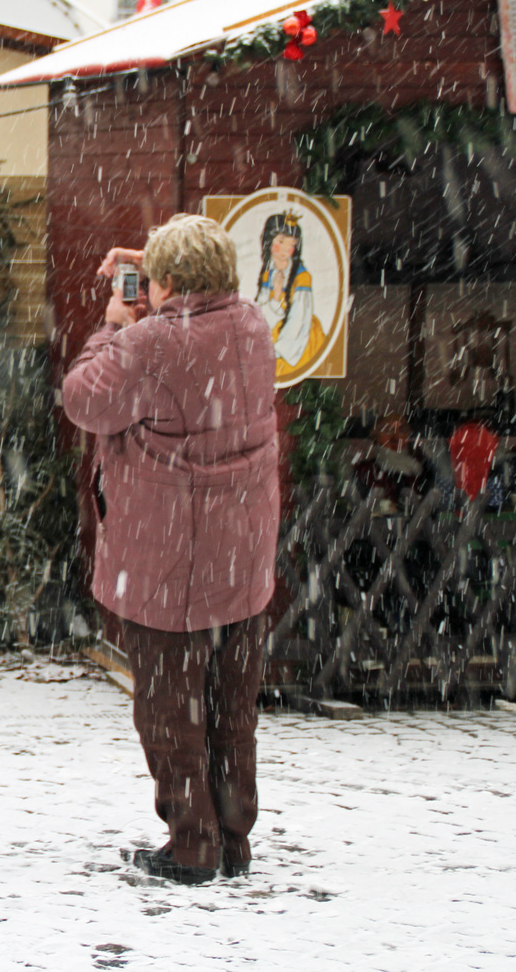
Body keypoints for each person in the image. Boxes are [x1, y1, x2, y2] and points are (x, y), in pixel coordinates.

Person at [62, 214, 280, 885]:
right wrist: (161, 267)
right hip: (240, 560)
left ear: (169, 283)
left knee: (168, 709)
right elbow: (196, 312)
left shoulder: (148, 344)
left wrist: (112, 328)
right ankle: (232, 838)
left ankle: (192, 844)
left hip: (168, 563)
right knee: (229, 708)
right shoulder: (251, 325)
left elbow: (83, 401)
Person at [254, 211, 327, 378]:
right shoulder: (268, 273)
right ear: (269, 242)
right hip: (271, 331)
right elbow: (260, 314)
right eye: (281, 241)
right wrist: (276, 297)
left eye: (291, 244)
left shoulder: (301, 277)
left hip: (295, 338)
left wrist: (279, 349)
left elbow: (299, 318)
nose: (287, 248)